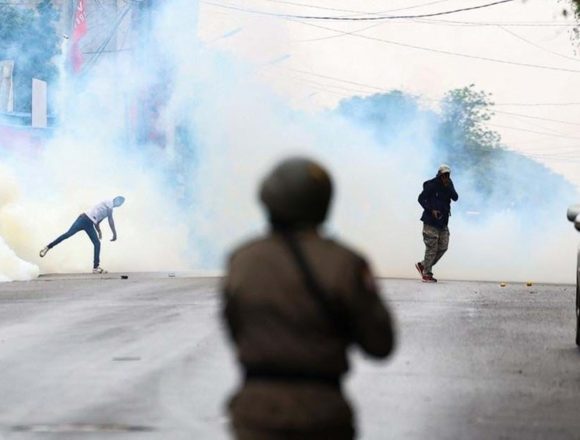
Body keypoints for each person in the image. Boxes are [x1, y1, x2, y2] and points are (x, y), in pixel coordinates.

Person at [222, 157, 395, 440]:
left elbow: (234, 327)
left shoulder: (242, 259)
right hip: (322, 413)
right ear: (323, 203)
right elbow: (380, 344)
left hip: (256, 413)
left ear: (268, 198)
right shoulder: (345, 262)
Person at [39, 196, 125, 274]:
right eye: (119, 201)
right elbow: (111, 220)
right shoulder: (109, 202)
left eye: (121, 203)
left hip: (89, 224)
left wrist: (99, 231)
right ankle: (47, 247)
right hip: (83, 219)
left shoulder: (107, 211)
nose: (119, 204)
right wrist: (114, 234)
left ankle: (95, 267)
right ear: (115, 199)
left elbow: (97, 222)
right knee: (68, 234)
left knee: (97, 243)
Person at [415, 164, 458, 283]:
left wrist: (449, 186)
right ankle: (426, 273)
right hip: (430, 221)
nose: (446, 177)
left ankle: (423, 265)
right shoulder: (431, 185)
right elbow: (421, 198)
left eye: (448, 175)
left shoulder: (449, 184)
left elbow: (455, 197)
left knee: (443, 247)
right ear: (439, 175)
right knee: (432, 247)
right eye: (444, 175)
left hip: (443, 222)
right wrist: (431, 210)